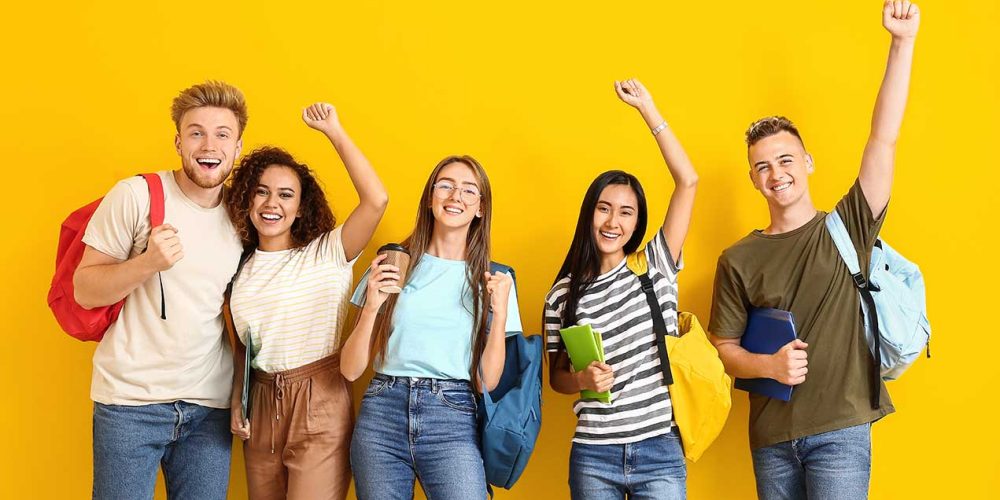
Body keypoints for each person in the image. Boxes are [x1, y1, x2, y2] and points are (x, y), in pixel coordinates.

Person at [708, 3, 921, 499]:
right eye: (762, 166)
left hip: (842, 431)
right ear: (752, 179)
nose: (776, 172)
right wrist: (768, 367)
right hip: (770, 440)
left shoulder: (848, 225)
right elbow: (724, 349)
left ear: (807, 162)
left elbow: (883, 139)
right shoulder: (737, 259)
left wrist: (901, 44)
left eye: (785, 159)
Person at [74, 80, 248, 499]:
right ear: (178, 141)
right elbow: (84, 289)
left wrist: (242, 397)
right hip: (130, 404)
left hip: (208, 408)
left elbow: (242, 316)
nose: (210, 145)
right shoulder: (135, 195)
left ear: (238, 147)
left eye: (222, 134)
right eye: (196, 132)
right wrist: (147, 262)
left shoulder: (242, 214)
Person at [545, 78, 699, 499]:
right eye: (604, 209)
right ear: (589, 213)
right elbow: (556, 378)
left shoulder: (656, 264)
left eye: (626, 213)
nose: (613, 222)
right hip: (593, 455)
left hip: (659, 449)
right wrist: (582, 378)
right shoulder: (562, 295)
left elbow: (688, 181)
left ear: (637, 223)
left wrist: (649, 111)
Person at [226, 102, 388, 499]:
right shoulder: (238, 267)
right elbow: (241, 351)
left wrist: (334, 131)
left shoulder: (327, 253)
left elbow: (376, 200)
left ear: (300, 209)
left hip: (320, 400)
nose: (272, 204)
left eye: (285, 195)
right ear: (248, 199)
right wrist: (237, 402)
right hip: (260, 404)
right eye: (261, 192)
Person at [340, 155, 523, 500]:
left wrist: (498, 316)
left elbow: (486, 383)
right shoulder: (392, 263)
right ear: (429, 197)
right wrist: (372, 306)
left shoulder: (494, 280)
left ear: (481, 208)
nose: (456, 196)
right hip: (382, 412)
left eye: (469, 190)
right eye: (446, 186)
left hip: (452, 416)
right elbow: (350, 370)